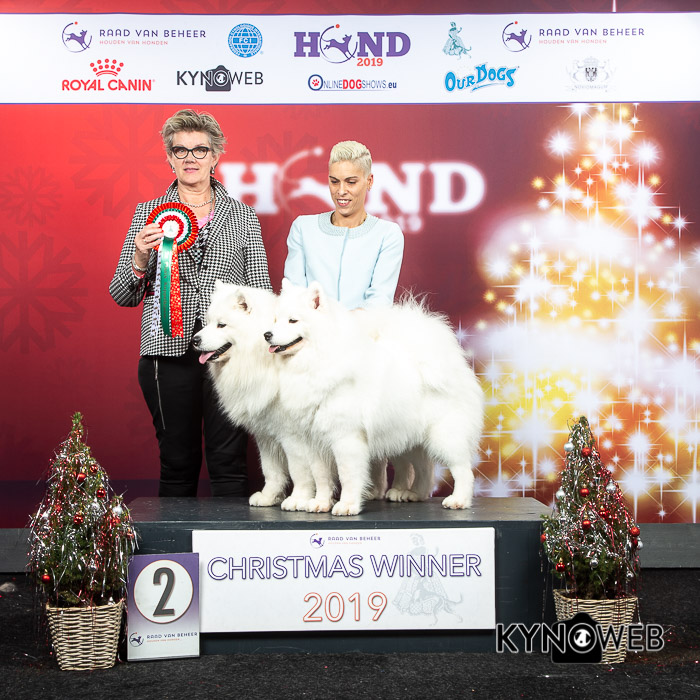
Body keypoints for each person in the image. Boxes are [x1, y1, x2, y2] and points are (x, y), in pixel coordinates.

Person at [109, 109, 272, 497]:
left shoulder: (244, 216)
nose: (190, 158)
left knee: (229, 463)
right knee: (176, 463)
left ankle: (232, 540)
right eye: (180, 150)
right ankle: (174, 539)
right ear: (169, 158)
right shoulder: (147, 213)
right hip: (166, 354)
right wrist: (140, 258)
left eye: (200, 150)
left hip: (231, 358)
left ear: (215, 156)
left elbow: (261, 294)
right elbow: (122, 294)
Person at [283, 140, 404, 309]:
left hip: (364, 327)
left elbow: (379, 301)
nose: (340, 191)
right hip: (311, 326)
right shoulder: (303, 228)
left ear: (369, 181)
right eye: (334, 181)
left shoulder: (388, 234)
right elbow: (295, 295)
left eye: (351, 182)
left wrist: (342, 323)